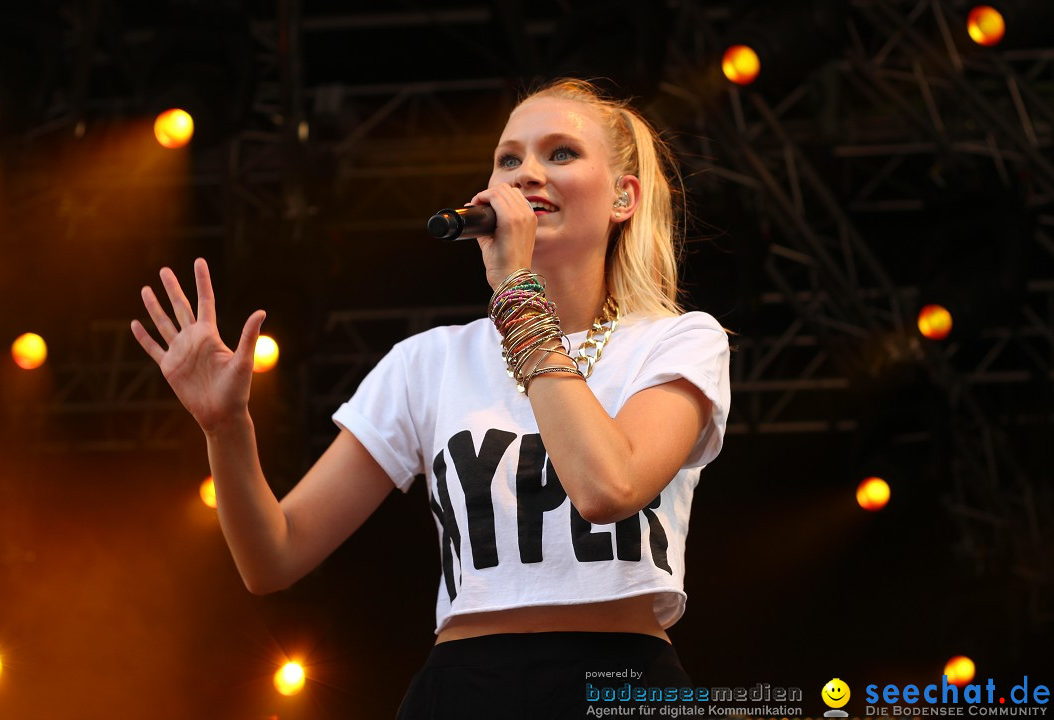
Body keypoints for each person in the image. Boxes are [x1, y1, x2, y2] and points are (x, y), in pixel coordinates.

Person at [131, 78, 731, 719]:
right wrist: (226, 428)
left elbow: (607, 488)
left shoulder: (677, 341)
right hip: (462, 687)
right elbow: (272, 558)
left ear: (623, 196)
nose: (526, 173)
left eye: (560, 154)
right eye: (508, 159)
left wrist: (517, 295)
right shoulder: (431, 361)